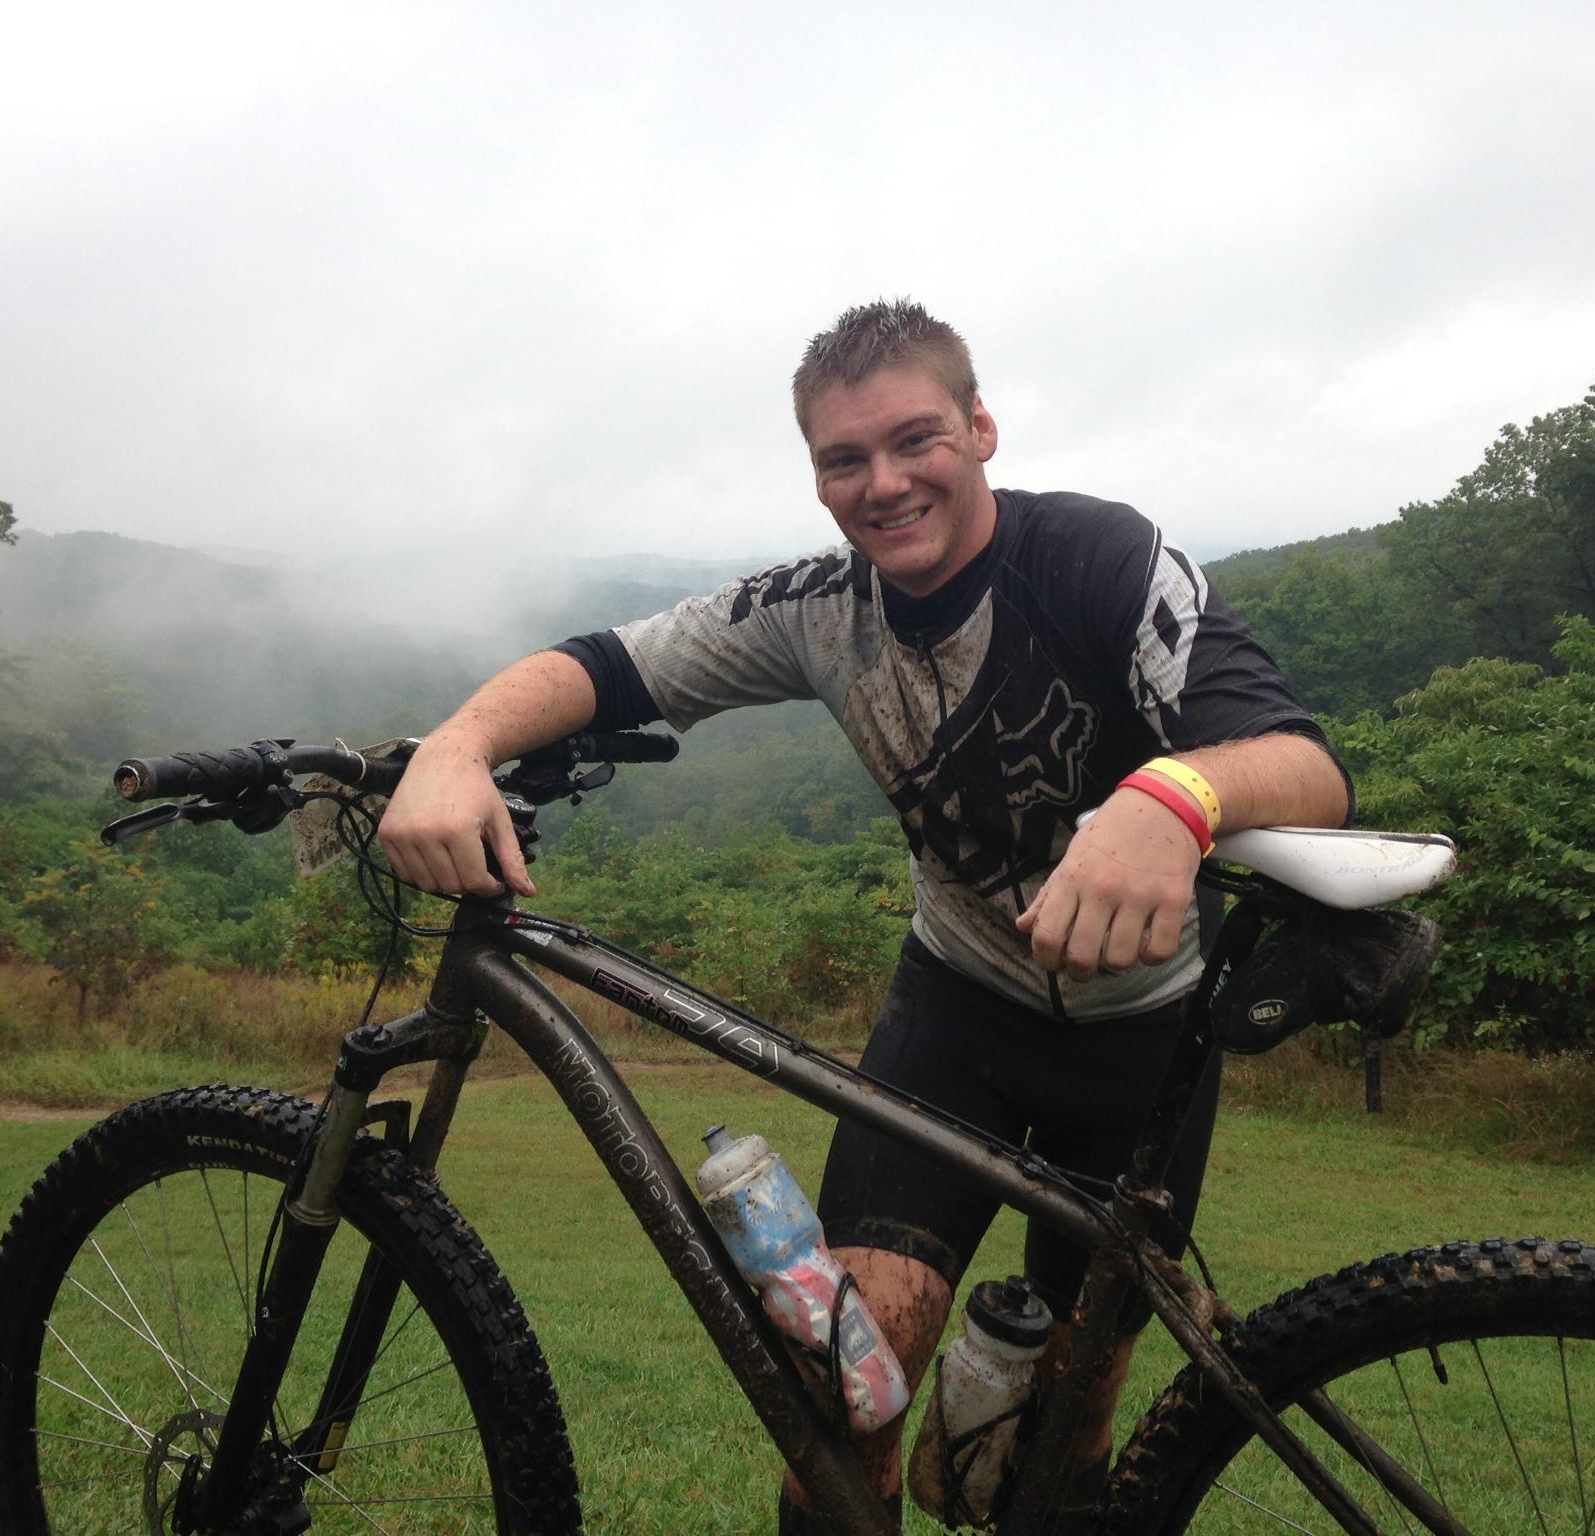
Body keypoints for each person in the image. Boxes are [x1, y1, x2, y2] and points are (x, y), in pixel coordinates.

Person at [379, 299, 1352, 1532]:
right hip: (953, 1016)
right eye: (843, 459)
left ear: (981, 428)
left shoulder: (1096, 560)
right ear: (816, 475)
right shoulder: (817, 609)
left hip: (1144, 1042)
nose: (882, 482)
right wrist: (455, 746)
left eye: (914, 440)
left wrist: (1174, 795)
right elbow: (607, 665)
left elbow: (1305, 762)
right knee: (842, 1384)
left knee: (1068, 1425)